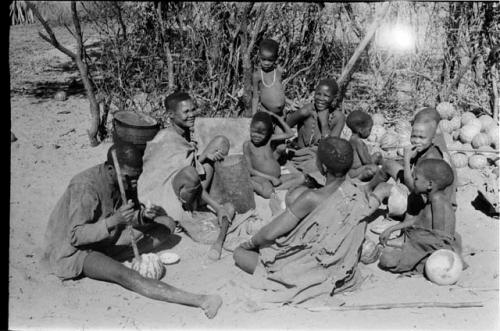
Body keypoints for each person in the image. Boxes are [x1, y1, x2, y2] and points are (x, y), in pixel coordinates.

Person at [41, 143, 222, 319]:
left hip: (106, 237)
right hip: (75, 251)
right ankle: (202, 300)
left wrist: (143, 216)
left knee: (166, 225)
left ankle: (108, 261)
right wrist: (115, 220)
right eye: (129, 178)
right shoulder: (85, 186)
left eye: (137, 177)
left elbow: (127, 215)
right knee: (126, 276)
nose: (134, 183)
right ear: (111, 169)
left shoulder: (124, 180)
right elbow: (76, 236)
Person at [232, 137, 386, 304]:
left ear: (323, 167)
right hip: (341, 271)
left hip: (309, 267)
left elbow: (270, 233)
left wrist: (249, 243)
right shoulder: (358, 195)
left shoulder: (312, 197)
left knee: (240, 254)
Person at [138, 91, 233, 225]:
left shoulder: (185, 132)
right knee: (191, 173)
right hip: (167, 193)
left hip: (184, 182)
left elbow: (185, 162)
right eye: (186, 112)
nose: (191, 115)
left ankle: (199, 201)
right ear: (171, 115)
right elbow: (185, 172)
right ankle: (189, 207)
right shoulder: (166, 139)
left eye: (193, 110)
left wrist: (204, 156)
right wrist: (218, 208)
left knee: (220, 142)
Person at [378, 159, 462, 274]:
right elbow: (418, 219)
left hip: (435, 249)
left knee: (386, 260)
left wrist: (417, 252)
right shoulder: (432, 198)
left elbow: (439, 237)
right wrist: (391, 229)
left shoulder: (437, 200)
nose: (413, 182)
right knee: (390, 252)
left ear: (430, 184)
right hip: (427, 243)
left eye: (416, 178)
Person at [363, 109, 444, 196]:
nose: (416, 141)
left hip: (419, 197)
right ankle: (367, 188)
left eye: (421, 137)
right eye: (413, 136)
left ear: (433, 137)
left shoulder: (431, 159)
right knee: (389, 164)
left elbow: (414, 188)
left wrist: (406, 160)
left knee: (384, 188)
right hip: (415, 182)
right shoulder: (426, 147)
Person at [285, 79, 346, 184]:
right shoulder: (307, 110)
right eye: (318, 94)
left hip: (320, 156)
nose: (321, 98)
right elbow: (284, 125)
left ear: (334, 98)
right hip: (300, 155)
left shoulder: (338, 117)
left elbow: (330, 147)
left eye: (326, 96)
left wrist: (324, 123)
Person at [243, 110, 304, 198]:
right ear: (250, 128)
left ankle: (276, 190)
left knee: (301, 177)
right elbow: (250, 170)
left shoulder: (269, 138)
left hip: (277, 178)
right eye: (254, 131)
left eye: (262, 134)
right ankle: (252, 184)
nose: (257, 136)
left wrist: (277, 117)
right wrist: (271, 178)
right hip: (261, 178)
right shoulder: (247, 145)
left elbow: (290, 133)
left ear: (268, 133)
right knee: (267, 193)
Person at [412, 107, 457, 210]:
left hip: (434, 203)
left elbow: (419, 187)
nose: (416, 140)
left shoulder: (433, 156)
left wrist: (406, 161)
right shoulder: (433, 140)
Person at [251, 39, 286, 116]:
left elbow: (279, 91)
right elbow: (255, 97)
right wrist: (254, 115)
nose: (266, 63)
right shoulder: (257, 75)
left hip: (282, 114)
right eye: (263, 59)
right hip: (266, 113)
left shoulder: (278, 71)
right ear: (259, 56)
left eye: (270, 60)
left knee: (282, 128)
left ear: (275, 59)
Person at [346, 110, 383, 181]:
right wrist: (375, 164)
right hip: (354, 171)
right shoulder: (358, 142)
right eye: (369, 130)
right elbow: (366, 162)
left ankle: (383, 167)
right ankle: (358, 179)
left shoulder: (353, 139)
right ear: (360, 130)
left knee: (378, 155)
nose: (370, 132)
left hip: (359, 168)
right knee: (374, 169)